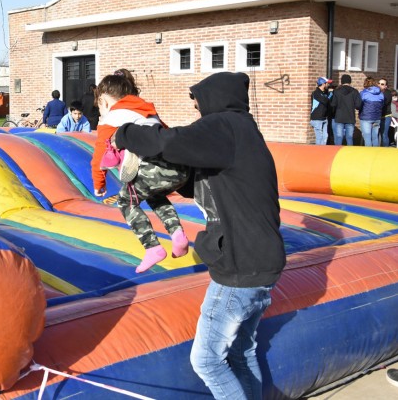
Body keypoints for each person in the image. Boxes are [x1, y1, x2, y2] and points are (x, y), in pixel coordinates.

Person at [113, 71, 286, 400]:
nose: (197, 113)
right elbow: (208, 182)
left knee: (206, 360)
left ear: (214, 100)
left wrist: (125, 134)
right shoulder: (242, 132)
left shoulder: (225, 125)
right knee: (240, 354)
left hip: (241, 266)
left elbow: (171, 142)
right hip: (262, 261)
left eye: (198, 105)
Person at [92, 73, 190, 273]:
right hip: (179, 169)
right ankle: (178, 235)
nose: (100, 111)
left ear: (104, 100)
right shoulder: (148, 112)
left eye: (99, 106)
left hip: (153, 168)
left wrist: (99, 184)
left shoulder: (111, 118)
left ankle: (152, 247)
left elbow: (98, 157)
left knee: (125, 201)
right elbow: (166, 134)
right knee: (155, 195)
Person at [330, 74, 361, 146]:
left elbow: (333, 104)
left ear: (341, 81)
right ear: (350, 81)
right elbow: (358, 105)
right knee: (349, 137)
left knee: (339, 137)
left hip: (339, 117)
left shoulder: (337, 91)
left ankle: (337, 153)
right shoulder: (355, 92)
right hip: (350, 117)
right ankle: (349, 154)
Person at [359, 77, 384, 147]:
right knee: (375, 137)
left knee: (367, 138)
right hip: (377, 117)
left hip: (366, 117)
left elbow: (359, 105)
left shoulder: (363, 93)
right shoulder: (380, 94)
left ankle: (368, 155)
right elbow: (382, 105)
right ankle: (375, 155)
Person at [310, 77, 332, 145]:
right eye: (327, 83)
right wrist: (330, 94)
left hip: (324, 118)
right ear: (323, 84)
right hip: (317, 118)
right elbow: (325, 101)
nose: (328, 85)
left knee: (325, 136)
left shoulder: (325, 93)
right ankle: (318, 153)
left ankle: (323, 151)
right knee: (319, 137)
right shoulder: (316, 93)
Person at [378, 78, 392, 146]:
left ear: (386, 86)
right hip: (378, 117)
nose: (380, 85)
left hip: (385, 117)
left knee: (384, 134)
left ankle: (385, 151)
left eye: (382, 84)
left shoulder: (388, 93)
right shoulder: (376, 92)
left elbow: (384, 103)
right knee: (377, 134)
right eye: (379, 83)